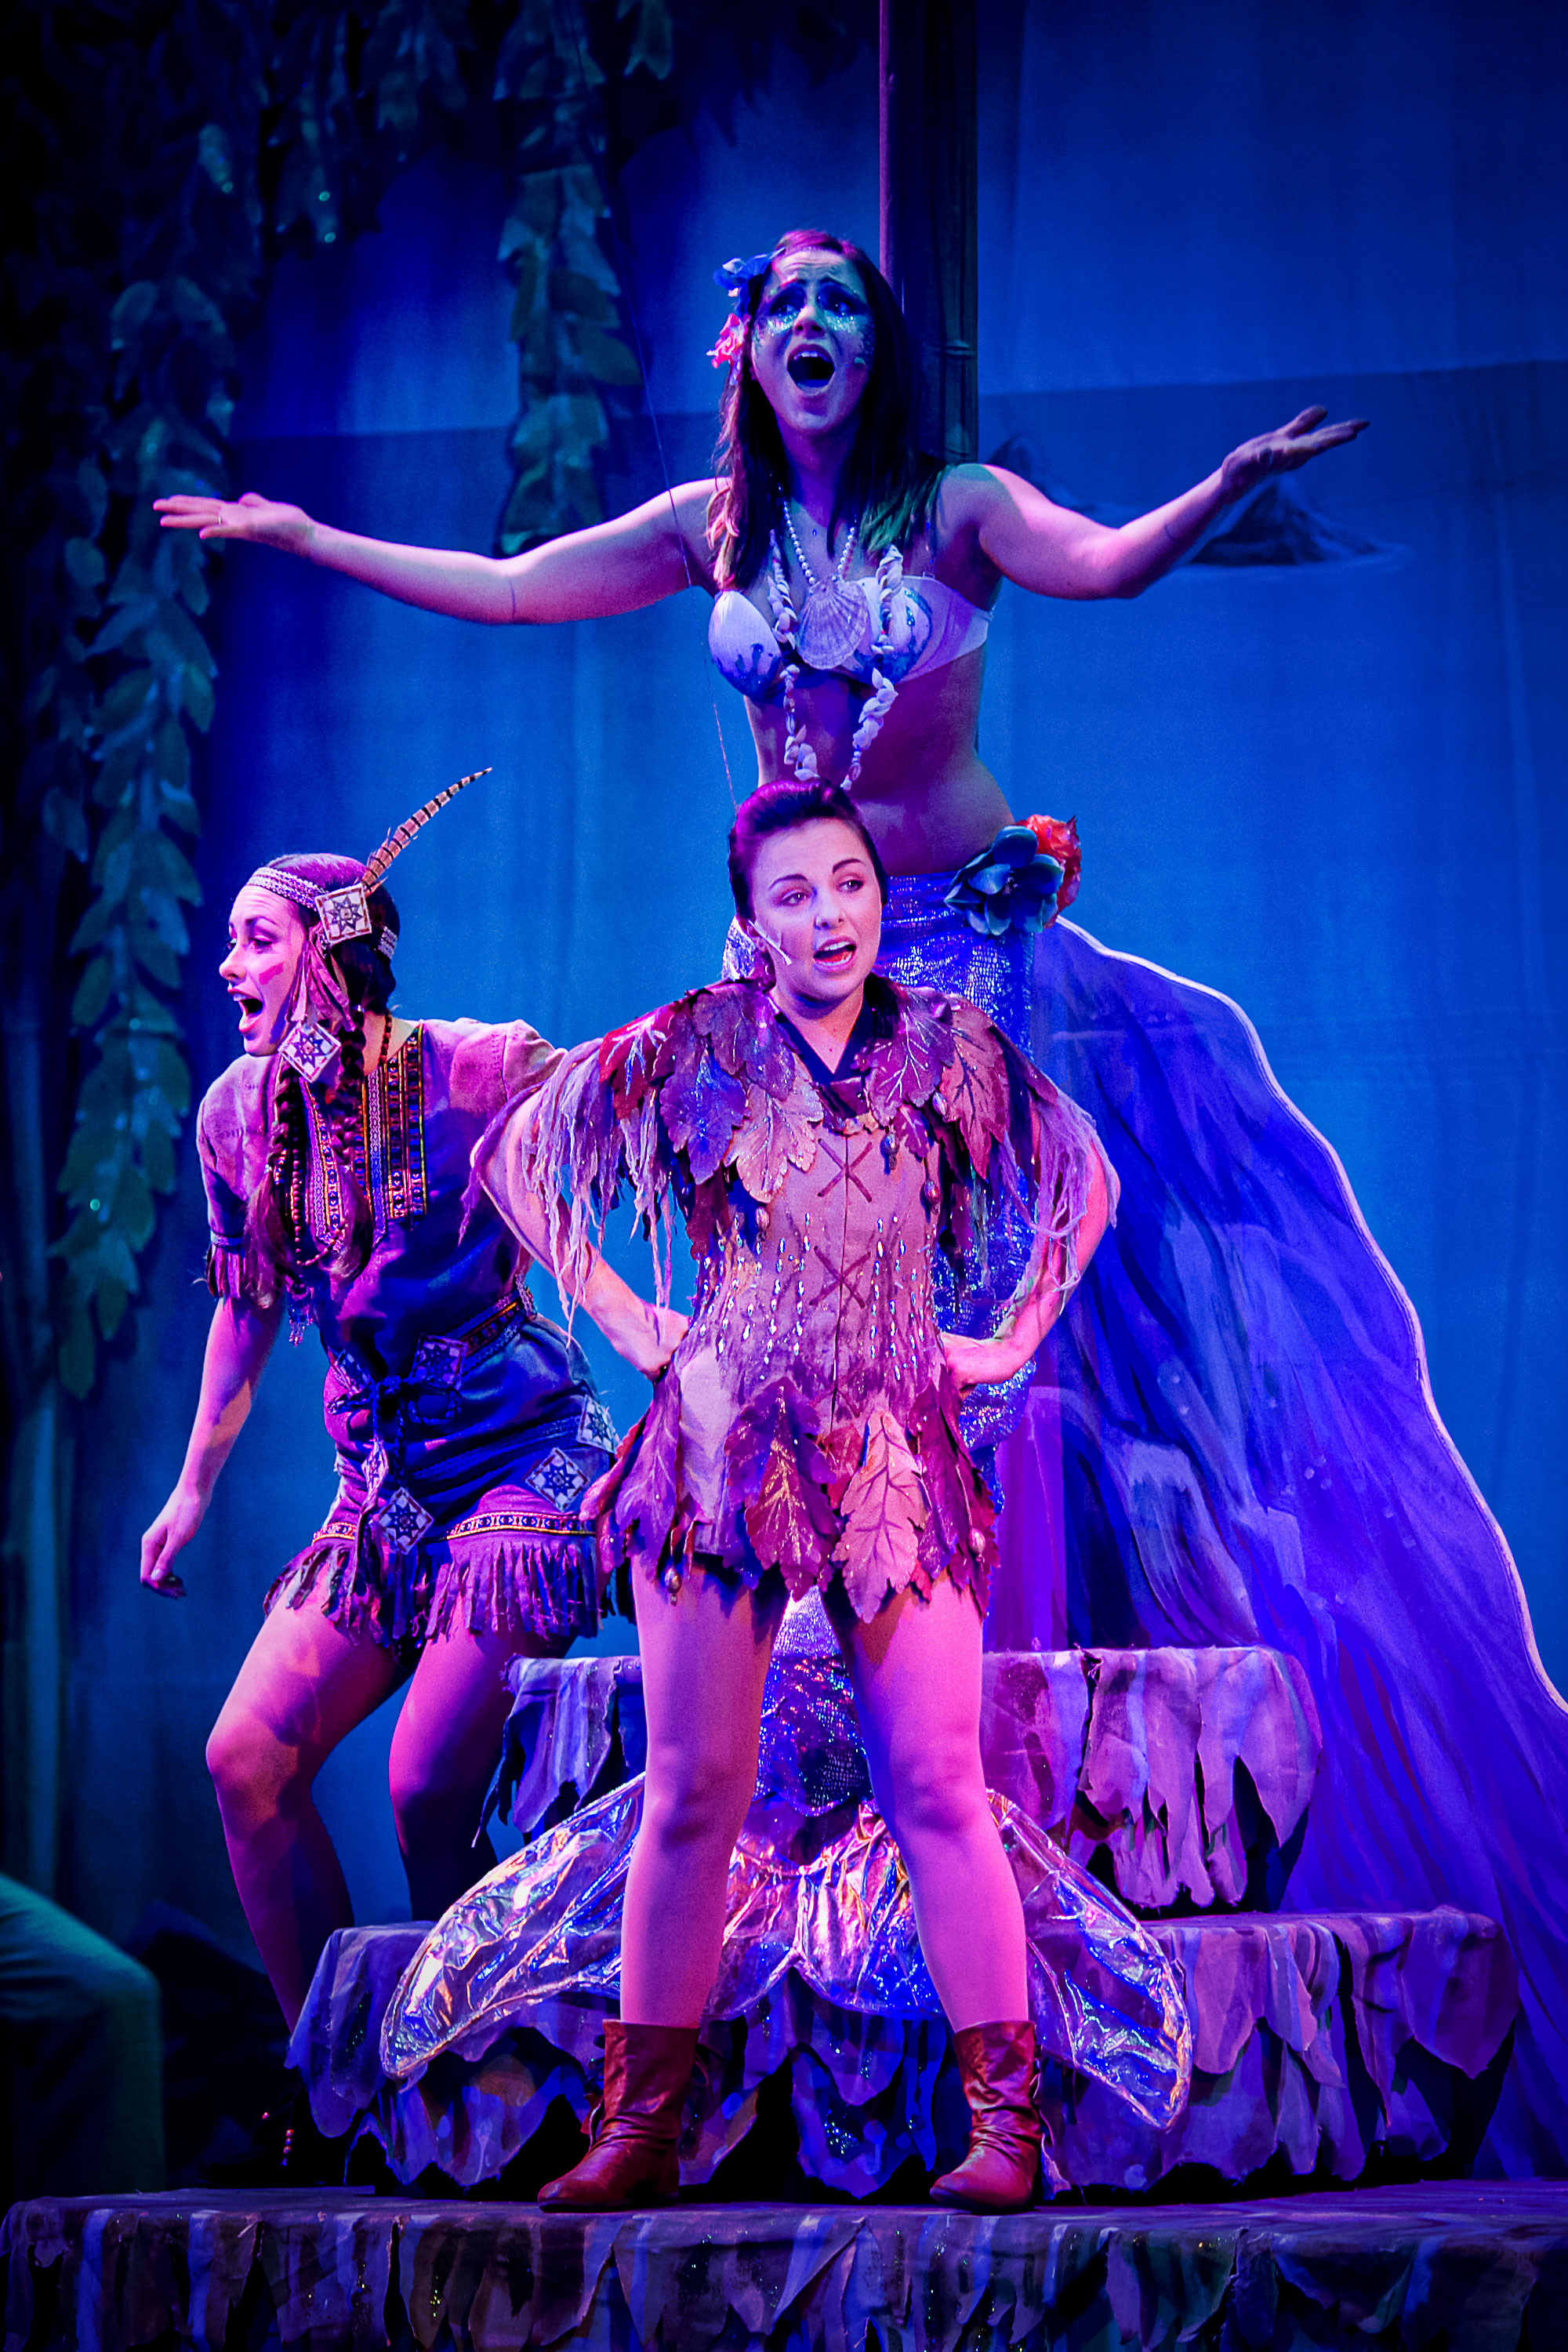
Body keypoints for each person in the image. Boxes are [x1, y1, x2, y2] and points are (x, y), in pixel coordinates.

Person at [156, 234, 1568, 2172]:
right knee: (779, 1343)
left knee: (963, 1325)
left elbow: (1087, 561)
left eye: (847, 304)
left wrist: (1218, 493)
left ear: (875, 350)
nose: (814, 328)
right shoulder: (705, 525)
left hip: (958, 952)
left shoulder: (957, 505)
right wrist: (310, 538)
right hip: (787, 985)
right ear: (748, 352)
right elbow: (503, 590)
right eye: (785, 306)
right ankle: (658, 2056)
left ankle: (977, 1733)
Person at [464, 777, 1136, 2213]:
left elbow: (1086, 1182)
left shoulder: (949, 1048)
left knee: (940, 1785)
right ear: (748, 922)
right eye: (795, 895)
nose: (828, 916)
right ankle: (638, 2130)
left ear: (879, 897)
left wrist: (1014, 1334)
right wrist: (639, 1330)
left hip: (897, 1450)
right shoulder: (692, 1043)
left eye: (849, 884)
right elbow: (515, 1153)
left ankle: (1006, 2135)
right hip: (719, 1447)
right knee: (697, 1789)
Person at [139, 782, 637, 2029]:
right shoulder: (236, 1120)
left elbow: (612, 1120)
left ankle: (481, 2052)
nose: (226, 963)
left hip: (522, 1462)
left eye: (260, 938)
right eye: (232, 941)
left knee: (424, 1786)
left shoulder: (471, 1067)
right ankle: (337, 2068)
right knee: (245, 1762)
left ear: (334, 952)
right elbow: (249, 1305)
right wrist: (193, 1486)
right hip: (386, 1493)